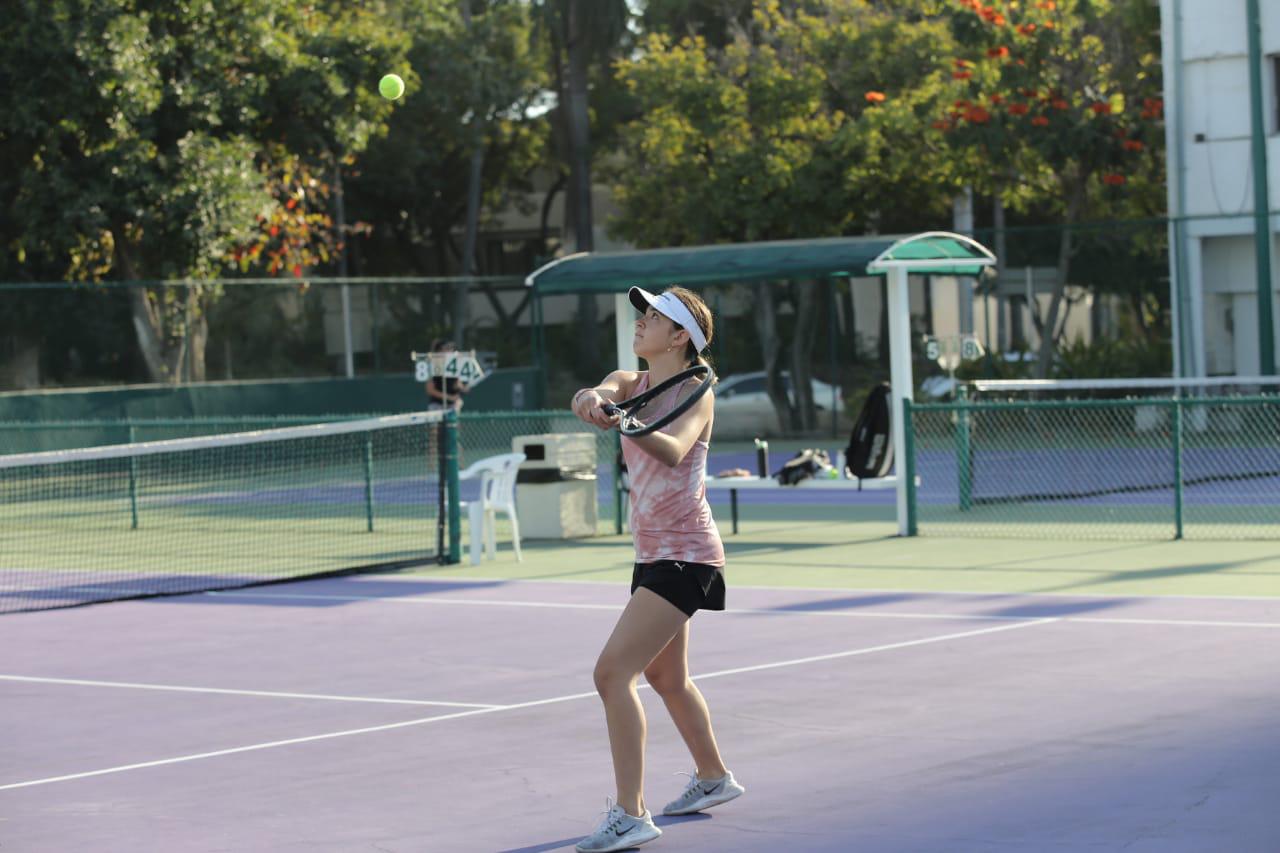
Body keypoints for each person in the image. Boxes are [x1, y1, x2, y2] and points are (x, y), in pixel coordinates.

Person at [570, 285, 744, 853]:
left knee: (610, 673)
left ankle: (630, 814)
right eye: (641, 315)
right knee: (667, 679)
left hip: (687, 554)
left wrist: (623, 423)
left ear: (680, 338)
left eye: (654, 318)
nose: (640, 323)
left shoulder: (698, 392)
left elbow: (671, 449)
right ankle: (714, 777)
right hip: (653, 554)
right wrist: (593, 400)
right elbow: (596, 391)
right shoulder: (631, 381)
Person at [424, 339, 469, 411]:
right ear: (439, 351)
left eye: (451, 349)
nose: (451, 351)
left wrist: (462, 388)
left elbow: (459, 386)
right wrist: (449, 397)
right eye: (447, 348)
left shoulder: (456, 366)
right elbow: (430, 390)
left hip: (453, 406)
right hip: (436, 405)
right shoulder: (434, 366)